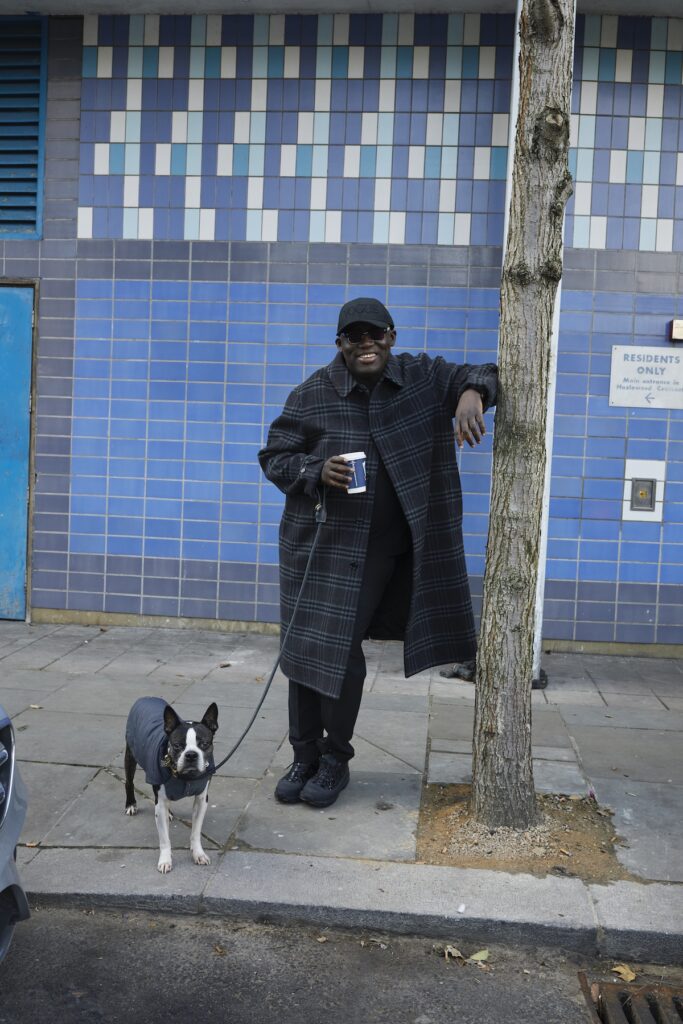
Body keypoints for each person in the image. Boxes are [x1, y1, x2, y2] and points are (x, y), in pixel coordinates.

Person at [258, 297, 498, 808]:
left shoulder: (423, 377)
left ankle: (334, 759)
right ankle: (303, 755)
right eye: (354, 337)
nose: (366, 344)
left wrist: (472, 394)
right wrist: (315, 471)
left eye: (376, 335)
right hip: (319, 548)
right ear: (340, 344)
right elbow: (275, 455)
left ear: (391, 337)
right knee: (302, 653)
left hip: (383, 552)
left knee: (341, 651)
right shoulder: (312, 394)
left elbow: (481, 371)